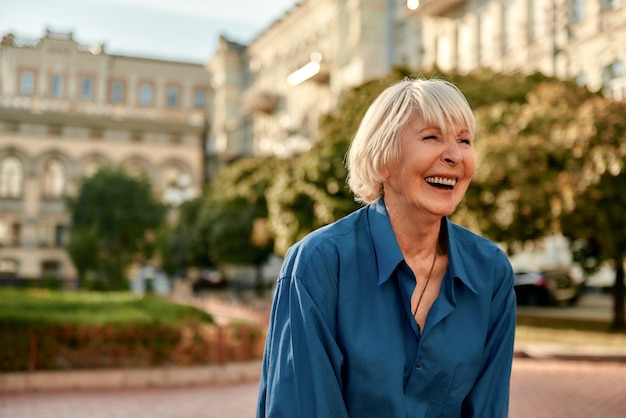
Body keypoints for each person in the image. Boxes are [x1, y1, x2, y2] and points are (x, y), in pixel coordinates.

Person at [256, 77, 516, 417]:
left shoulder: (491, 271)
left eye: (464, 140)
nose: (454, 155)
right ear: (383, 158)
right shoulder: (318, 263)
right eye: (431, 137)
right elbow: (303, 407)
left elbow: (487, 410)